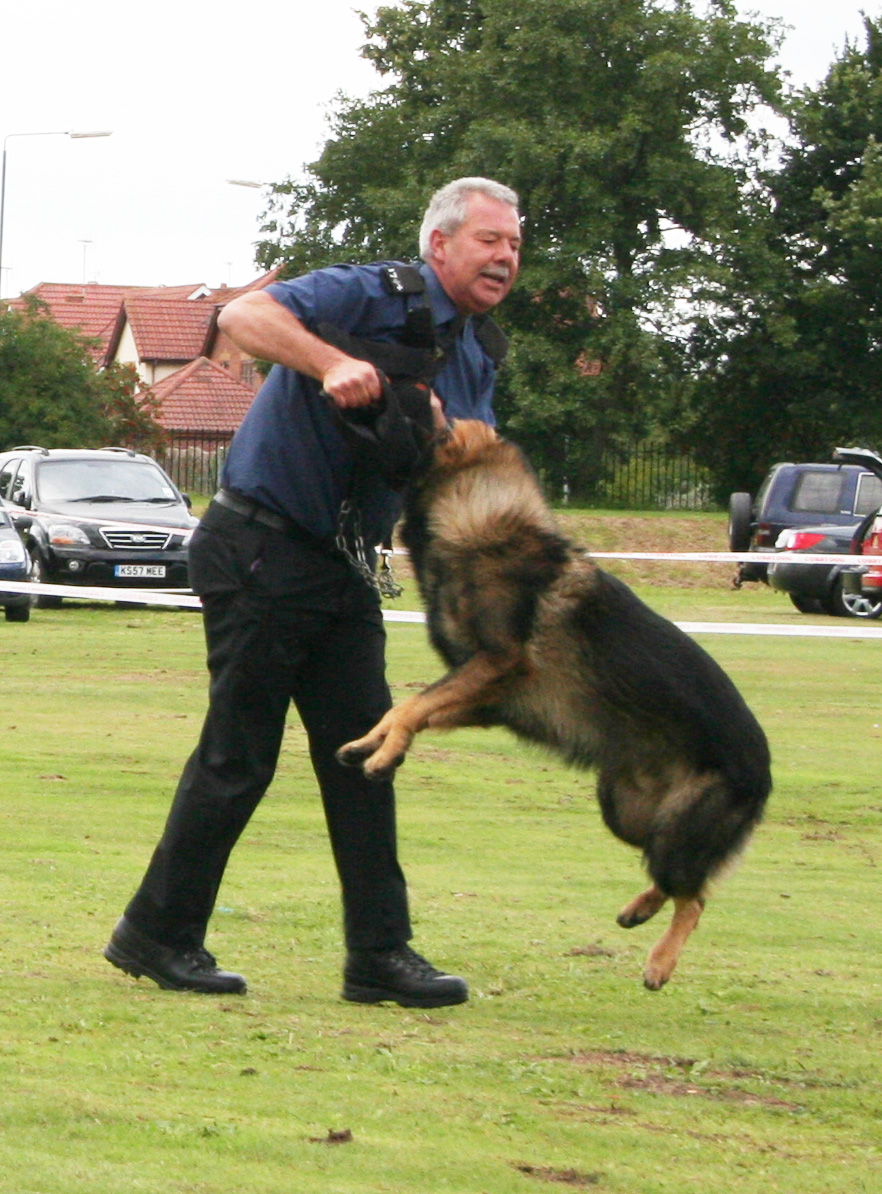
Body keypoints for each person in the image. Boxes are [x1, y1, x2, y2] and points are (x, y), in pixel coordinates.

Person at [104, 177, 522, 1006]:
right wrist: (334, 363)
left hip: (341, 565)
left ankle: (379, 957)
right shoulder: (368, 292)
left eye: (513, 244)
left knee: (366, 754)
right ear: (440, 244)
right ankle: (157, 934)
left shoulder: (476, 351)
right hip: (259, 543)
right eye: (489, 241)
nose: (506, 257)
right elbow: (241, 319)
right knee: (239, 755)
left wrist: (441, 433)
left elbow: (464, 463)